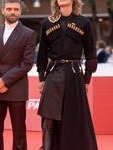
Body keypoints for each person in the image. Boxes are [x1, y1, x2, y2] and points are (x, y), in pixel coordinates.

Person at [36, 0, 98, 150]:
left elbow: (91, 54)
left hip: (75, 75)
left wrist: (87, 79)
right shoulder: (47, 23)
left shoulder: (84, 23)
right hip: (53, 74)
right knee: (49, 120)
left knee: (74, 118)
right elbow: (42, 54)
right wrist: (42, 78)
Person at [0, 0, 35, 149]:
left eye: (16, 9)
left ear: (20, 12)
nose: (13, 12)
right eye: (9, 9)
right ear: (2, 10)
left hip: (16, 89)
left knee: (19, 134)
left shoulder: (28, 34)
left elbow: (27, 63)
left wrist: (4, 80)